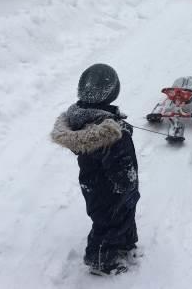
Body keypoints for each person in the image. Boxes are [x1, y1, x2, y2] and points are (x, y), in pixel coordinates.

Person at [50, 63, 140, 275]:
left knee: (111, 217)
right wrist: (128, 186)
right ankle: (100, 259)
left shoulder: (82, 117)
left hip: (92, 182)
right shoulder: (111, 135)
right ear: (112, 92)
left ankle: (124, 243)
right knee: (111, 222)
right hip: (112, 188)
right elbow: (123, 172)